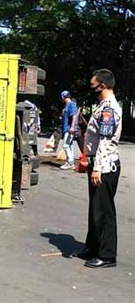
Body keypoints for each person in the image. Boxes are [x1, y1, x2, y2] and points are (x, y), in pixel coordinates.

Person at [77, 69, 122, 269]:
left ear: (102, 85)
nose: (91, 88)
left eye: (93, 85)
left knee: (104, 211)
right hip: (98, 162)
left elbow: (105, 140)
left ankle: (107, 255)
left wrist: (98, 168)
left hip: (105, 165)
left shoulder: (109, 109)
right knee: (95, 209)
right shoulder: (102, 105)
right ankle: (93, 247)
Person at [60, 91, 78, 170]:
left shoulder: (71, 104)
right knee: (69, 146)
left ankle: (70, 163)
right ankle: (70, 162)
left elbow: (74, 116)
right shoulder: (67, 105)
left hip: (69, 129)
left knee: (65, 145)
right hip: (66, 128)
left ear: (63, 97)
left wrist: (72, 127)